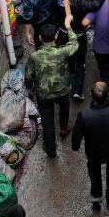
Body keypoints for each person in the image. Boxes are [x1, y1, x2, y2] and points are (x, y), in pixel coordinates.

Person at [72, 80, 109, 208]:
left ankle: (96, 196)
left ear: (91, 95)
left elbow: (77, 134)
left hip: (94, 152)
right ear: (108, 95)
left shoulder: (85, 115)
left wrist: (75, 146)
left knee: (94, 173)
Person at [24, 16, 78, 158]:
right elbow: (75, 43)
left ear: (40, 38)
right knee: (64, 108)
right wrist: (68, 26)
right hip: (62, 90)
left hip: (43, 94)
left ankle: (51, 150)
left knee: (47, 121)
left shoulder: (34, 56)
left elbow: (28, 77)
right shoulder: (63, 52)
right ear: (56, 36)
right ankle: (64, 129)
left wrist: (29, 87)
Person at [56, 0, 107, 100]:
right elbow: (94, 4)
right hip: (78, 34)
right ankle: (77, 90)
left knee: (67, 55)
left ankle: (70, 72)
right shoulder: (80, 1)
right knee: (80, 61)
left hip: (63, 33)